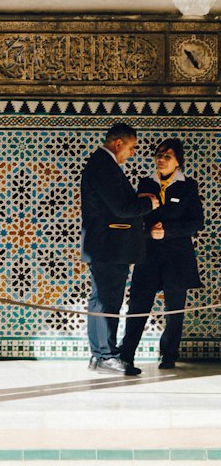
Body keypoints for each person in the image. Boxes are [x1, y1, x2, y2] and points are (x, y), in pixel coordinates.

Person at [119, 138, 203, 372]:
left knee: (175, 310)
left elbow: (196, 222)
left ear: (178, 162)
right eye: (159, 154)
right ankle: (126, 354)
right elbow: (135, 216)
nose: (161, 159)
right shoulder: (146, 183)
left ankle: (169, 354)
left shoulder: (188, 186)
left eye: (167, 155)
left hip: (178, 258)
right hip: (148, 255)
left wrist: (167, 232)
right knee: (138, 305)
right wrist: (149, 232)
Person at [80, 122, 153, 374]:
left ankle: (98, 355)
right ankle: (106, 356)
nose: (131, 153)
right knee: (107, 300)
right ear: (118, 143)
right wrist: (148, 204)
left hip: (106, 246)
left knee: (102, 299)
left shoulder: (103, 164)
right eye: (131, 148)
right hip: (109, 246)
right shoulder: (104, 165)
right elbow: (121, 208)